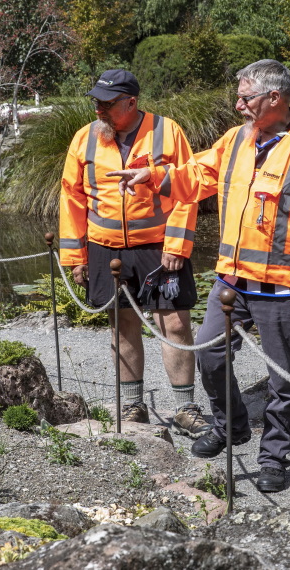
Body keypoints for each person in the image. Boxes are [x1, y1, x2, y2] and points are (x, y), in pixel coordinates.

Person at [108, 59, 290, 492]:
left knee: (283, 380)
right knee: (211, 355)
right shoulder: (236, 139)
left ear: (274, 98)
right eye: (238, 98)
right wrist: (153, 176)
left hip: (284, 289)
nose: (238, 106)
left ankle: (273, 458)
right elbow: (197, 176)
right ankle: (231, 426)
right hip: (231, 283)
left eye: (245, 98)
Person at [59, 69, 210, 439]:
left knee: (175, 324)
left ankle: (185, 408)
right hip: (105, 249)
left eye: (107, 104)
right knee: (122, 323)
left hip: (159, 248)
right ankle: (132, 405)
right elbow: (72, 197)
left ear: (131, 101)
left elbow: (187, 189)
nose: (99, 110)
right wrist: (75, 255)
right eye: (96, 102)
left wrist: (176, 244)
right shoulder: (85, 137)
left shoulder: (167, 131)